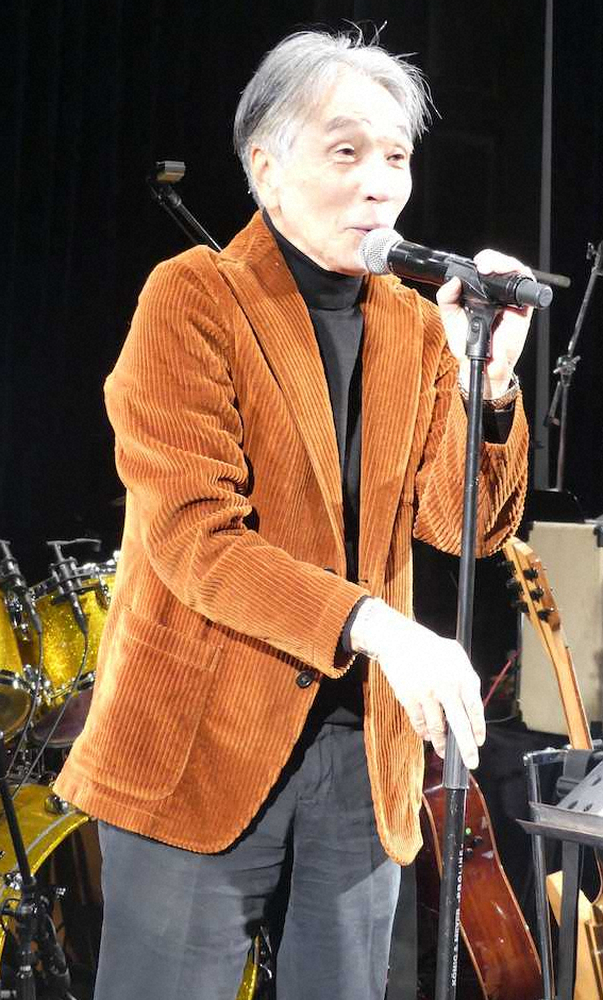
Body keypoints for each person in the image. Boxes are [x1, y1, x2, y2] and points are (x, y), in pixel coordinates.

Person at [55, 27, 531, 1000]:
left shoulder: (413, 324)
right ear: (266, 168)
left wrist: (486, 386)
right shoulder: (192, 300)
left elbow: (465, 525)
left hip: (359, 759)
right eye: (345, 150)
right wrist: (378, 626)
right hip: (200, 743)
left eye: (395, 157)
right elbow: (198, 541)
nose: (379, 183)